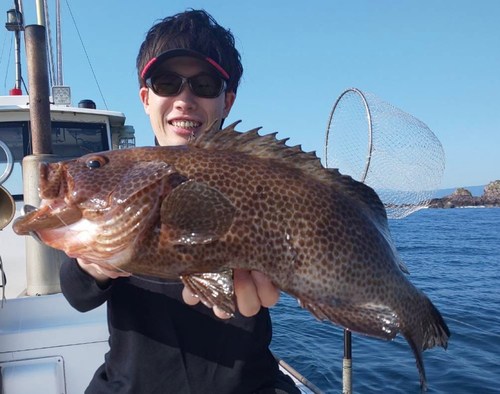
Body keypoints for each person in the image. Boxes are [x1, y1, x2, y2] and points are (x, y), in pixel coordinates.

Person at [60, 9, 301, 394]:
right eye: (166, 83)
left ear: (228, 101)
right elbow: (77, 293)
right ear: (146, 97)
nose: (184, 99)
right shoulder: (120, 177)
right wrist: (93, 264)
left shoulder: (254, 178)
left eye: (204, 84)